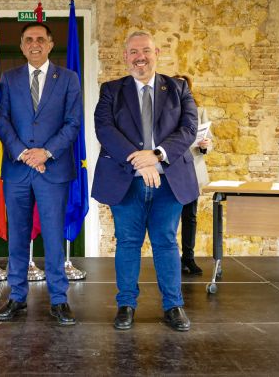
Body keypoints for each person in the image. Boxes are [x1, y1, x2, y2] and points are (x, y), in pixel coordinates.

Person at [92, 31, 198, 332]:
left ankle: (173, 306)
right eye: (134, 52)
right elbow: (105, 129)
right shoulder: (111, 90)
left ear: (157, 53)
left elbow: (189, 128)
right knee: (128, 243)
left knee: (166, 241)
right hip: (127, 183)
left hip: (169, 183)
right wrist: (139, 160)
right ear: (126, 57)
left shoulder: (178, 88)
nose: (140, 57)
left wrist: (156, 155)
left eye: (146, 51)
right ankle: (126, 305)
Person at [0, 22, 82, 325]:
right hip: (18, 169)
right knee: (18, 235)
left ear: (50, 44)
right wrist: (22, 152)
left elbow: (73, 122)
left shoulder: (68, 78)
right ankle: (16, 296)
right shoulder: (8, 78)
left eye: (40, 39)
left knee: (54, 235)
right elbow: (2, 120)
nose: (35, 44)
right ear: (21, 46)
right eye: (29, 39)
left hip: (52, 168)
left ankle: (59, 299)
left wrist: (45, 152)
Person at [174, 74, 213, 276]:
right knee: (169, 217)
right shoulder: (164, 111)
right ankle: (171, 259)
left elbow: (210, 142)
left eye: (184, 86)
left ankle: (188, 257)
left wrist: (205, 145)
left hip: (192, 170)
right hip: (171, 171)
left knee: (190, 216)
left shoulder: (200, 111)